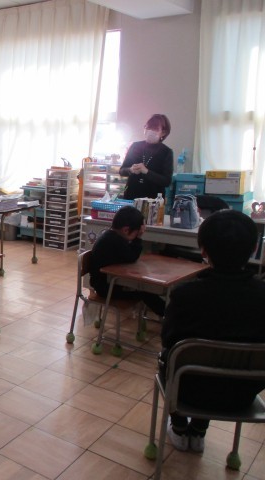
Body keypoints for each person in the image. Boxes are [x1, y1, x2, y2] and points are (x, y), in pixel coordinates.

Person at [160, 210, 265, 453]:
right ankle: (198, 431)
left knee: (176, 357)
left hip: (188, 391)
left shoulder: (185, 295)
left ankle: (179, 428)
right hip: (243, 395)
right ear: (253, 249)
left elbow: (168, 340)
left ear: (203, 251)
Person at [89, 206, 165, 316]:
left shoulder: (111, 236)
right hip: (106, 289)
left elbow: (129, 257)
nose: (136, 235)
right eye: (136, 232)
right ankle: (168, 316)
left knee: (145, 290)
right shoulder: (114, 240)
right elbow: (132, 257)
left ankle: (167, 315)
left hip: (108, 284)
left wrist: (136, 235)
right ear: (126, 230)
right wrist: (139, 238)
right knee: (145, 293)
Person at [119, 114, 174, 200]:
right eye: (148, 128)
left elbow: (167, 181)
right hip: (131, 196)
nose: (150, 131)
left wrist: (146, 172)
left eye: (155, 129)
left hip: (153, 200)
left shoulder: (166, 152)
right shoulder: (135, 146)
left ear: (163, 132)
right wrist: (130, 170)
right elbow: (122, 171)